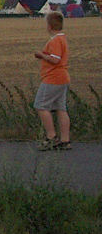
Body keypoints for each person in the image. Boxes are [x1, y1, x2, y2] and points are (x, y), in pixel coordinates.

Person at [34, 11, 71, 150]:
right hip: (63, 77)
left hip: (53, 78)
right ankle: (65, 140)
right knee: (61, 108)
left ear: (49, 25)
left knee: (41, 105)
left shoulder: (55, 40)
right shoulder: (63, 39)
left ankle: (51, 136)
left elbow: (55, 59)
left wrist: (42, 55)